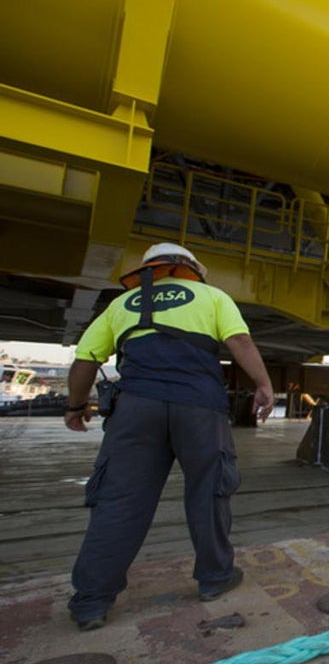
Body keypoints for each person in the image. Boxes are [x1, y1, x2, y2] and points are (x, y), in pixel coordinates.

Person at [63, 243, 275, 630]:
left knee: (119, 501)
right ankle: (215, 577)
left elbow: (85, 361)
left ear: (148, 269)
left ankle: (92, 601)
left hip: (136, 409)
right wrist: (262, 385)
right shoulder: (212, 295)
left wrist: (76, 407)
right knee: (209, 492)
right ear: (192, 268)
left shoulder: (122, 304)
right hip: (199, 408)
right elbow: (239, 342)